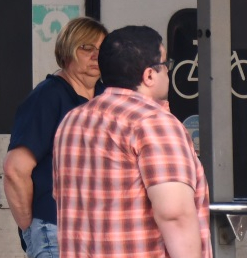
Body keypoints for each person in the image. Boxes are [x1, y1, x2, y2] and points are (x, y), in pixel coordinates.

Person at [52, 25, 211, 258]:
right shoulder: (153, 123)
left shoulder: (72, 121)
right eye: (166, 66)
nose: (167, 73)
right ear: (149, 75)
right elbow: (175, 214)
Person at [3, 17, 107, 258]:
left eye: (102, 50)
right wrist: (31, 226)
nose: (95, 56)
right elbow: (15, 170)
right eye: (86, 48)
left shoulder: (106, 96)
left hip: (101, 229)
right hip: (56, 228)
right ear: (67, 50)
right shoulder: (47, 97)